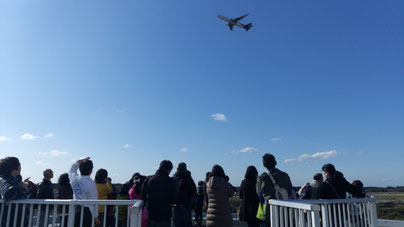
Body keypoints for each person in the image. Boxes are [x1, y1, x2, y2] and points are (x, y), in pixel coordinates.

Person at [256, 154, 295, 226]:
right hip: (285, 209)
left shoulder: (262, 178)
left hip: (268, 211)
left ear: (264, 164)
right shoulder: (285, 175)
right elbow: (290, 191)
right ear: (275, 163)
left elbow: (259, 193)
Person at [141, 160, 177, 227]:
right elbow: (174, 199)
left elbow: (143, 195)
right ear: (169, 169)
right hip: (165, 215)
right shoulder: (171, 181)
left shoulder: (149, 179)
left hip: (151, 214)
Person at [70, 157, 100, 226]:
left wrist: (79, 161)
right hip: (86, 212)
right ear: (91, 171)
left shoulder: (74, 179)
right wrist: (96, 216)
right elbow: (93, 201)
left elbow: (72, 170)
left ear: (80, 169)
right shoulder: (91, 183)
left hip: (75, 210)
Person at [0, 157, 28, 226]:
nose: (20, 168)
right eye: (19, 165)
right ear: (13, 168)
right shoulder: (6, 180)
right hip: (11, 219)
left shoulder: (6, 179)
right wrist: (24, 189)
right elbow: (8, 193)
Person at [172, 162, 196, 227]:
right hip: (187, 206)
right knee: (187, 223)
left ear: (177, 168)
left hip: (175, 205)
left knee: (176, 223)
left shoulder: (173, 178)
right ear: (186, 169)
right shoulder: (189, 178)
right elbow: (194, 192)